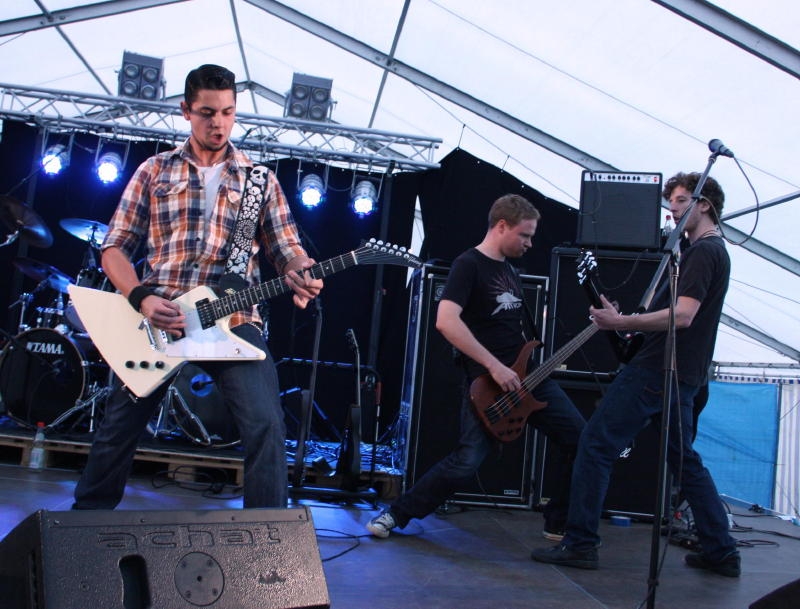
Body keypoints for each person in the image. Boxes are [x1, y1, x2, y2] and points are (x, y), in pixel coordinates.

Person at [73, 64, 322, 510]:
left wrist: (301, 268)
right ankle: (82, 524)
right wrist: (141, 297)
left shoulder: (258, 180)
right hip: (160, 316)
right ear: (186, 110)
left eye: (228, 112)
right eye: (207, 113)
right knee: (117, 429)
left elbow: (287, 248)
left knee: (266, 424)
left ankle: (267, 534)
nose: (219, 123)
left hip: (233, 317)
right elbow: (113, 249)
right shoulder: (154, 170)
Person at [531, 172, 739, 577]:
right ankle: (722, 551)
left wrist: (621, 321)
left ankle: (580, 543)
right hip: (682, 373)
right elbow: (678, 318)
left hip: (655, 372)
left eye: (681, 201)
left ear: (704, 204)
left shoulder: (703, 253)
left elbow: (684, 316)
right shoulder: (710, 251)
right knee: (686, 462)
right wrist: (630, 325)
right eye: (671, 203)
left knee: (595, 444)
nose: (672, 210)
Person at [366, 194, 586, 539]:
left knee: (580, 438)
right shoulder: (468, 265)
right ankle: (395, 514)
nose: (530, 243)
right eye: (525, 235)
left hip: (528, 377)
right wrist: (495, 366)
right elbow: (446, 321)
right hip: (488, 383)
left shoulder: (509, 270)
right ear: (502, 226)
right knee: (466, 462)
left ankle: (558, 521)